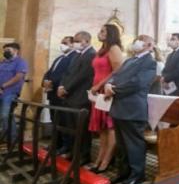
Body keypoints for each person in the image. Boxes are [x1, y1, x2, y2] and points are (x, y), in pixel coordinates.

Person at [105, 35, 157, 184]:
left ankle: (137, 175)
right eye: (136, 39)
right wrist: (109, 83)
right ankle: (124, 172)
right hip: (119, 107)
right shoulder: (129, 60)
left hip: (133, 108)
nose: (136, 42)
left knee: (134, 144)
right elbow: (116, 75)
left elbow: (138, 83)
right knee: (121, 144)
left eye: (140, 40)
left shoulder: (149, 62)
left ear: (149, 45)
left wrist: (114, 89)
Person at [88, 24, 123, 173]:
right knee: (102, 127)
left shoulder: (114, 48)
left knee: (110, 127)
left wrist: (99, 86)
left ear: (111, 33)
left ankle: (106, 161)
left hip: (107, 90)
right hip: (98, 90)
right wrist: (94, 87)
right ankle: (99, 159)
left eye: (103, 31)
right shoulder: (102, 50)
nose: (99, 33)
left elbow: (118, 71)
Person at [57, 31, 96, 164]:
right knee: (72, 127)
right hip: (70, 96)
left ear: (86, 40)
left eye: (78, 40)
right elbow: (67, 73)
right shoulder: (77, 55)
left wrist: (66, 88)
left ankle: (84, 155)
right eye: (74, 40)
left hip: (80, 97)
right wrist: (61, 86)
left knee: (82, 129)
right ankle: (73, 152)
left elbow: (82, 76)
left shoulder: (91, 55)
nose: (75, 43)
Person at [42, 37, 76, 153]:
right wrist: (45, 80)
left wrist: (54, 83)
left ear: (72, 44)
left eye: (65, 43)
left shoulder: (74, 57)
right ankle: (56, 143)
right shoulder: (59, 58)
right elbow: (49, 72)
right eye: (61, 42)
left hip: (62, 94)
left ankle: (66, 146)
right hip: (52, 93)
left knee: (64, 121)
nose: (62, 45)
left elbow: (69, 75)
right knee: (54, 120)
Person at [0, 43, 28, 139]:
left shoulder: (20, 62)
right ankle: (4, 136)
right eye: (4, 50)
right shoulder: (3, 62)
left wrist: (3, 86)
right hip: (1, 92)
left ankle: (12, 139)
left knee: (6, 115)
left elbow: (18, 77)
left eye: (8, 50)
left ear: (16, 51)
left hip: (10, 93)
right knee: (2, 116)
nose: (5, 52)